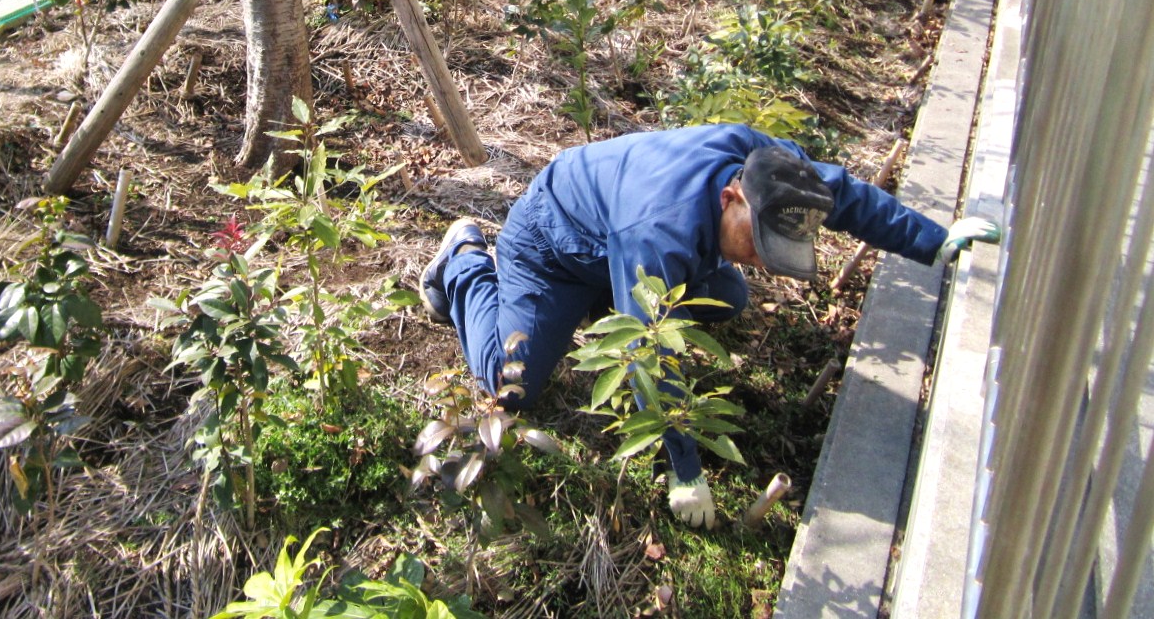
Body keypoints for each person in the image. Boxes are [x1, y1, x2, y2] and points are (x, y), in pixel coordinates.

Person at [419, 123, 1001, 528]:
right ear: (730, 199)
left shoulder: (768, 167)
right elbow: (652, 351)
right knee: (513, 385)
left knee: (726, 298)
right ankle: (465, 262)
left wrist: (935, 240)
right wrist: (685, 467)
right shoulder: (660, 228)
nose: (758, 258)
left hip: (616, 241)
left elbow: (845, 196)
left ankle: (608, 295)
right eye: (757, 243)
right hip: (552, 240)